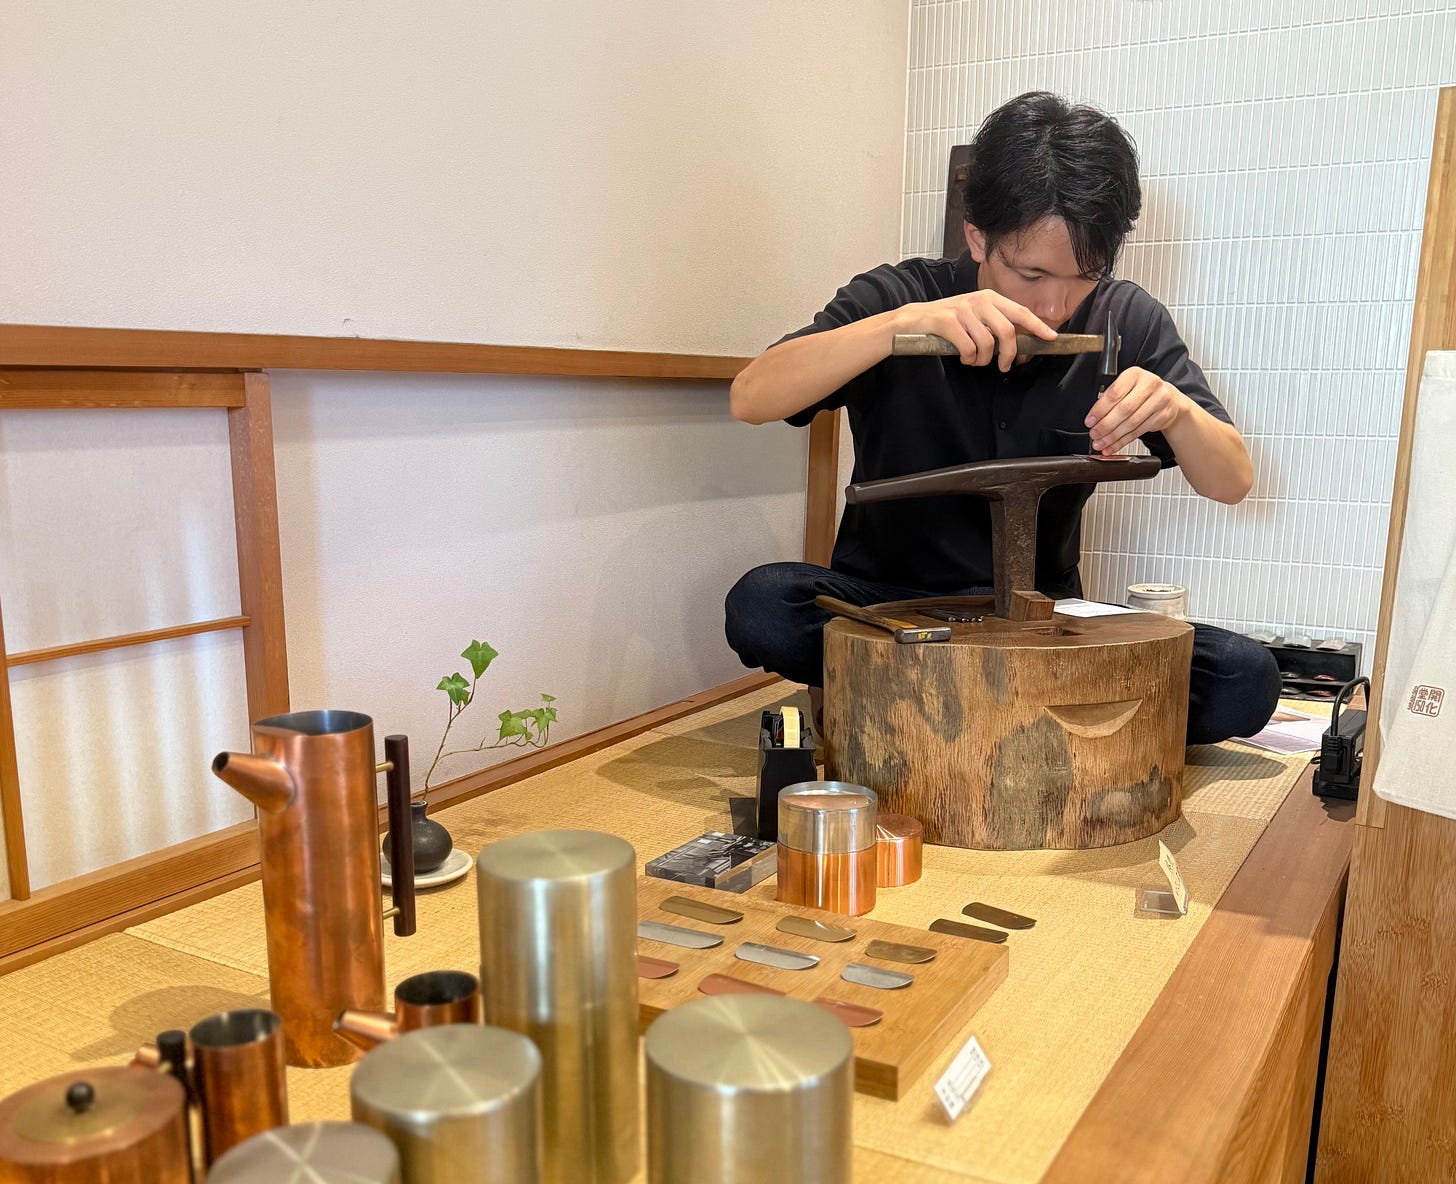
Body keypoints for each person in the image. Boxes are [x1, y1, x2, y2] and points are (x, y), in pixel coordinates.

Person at [723, 91, 1279, 746]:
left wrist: (1178, 410)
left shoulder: (1125, 317)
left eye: (1085, 276)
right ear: (976, 233)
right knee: (763, 606)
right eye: (1032, 272)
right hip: (890, 610)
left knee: (1245, 676)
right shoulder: (902, 296)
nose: (1054, 304)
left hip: (1045, 622)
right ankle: (1026, 715)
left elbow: (1232, 480)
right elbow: (753, 396)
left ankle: (971, 708)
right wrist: (899, 328)